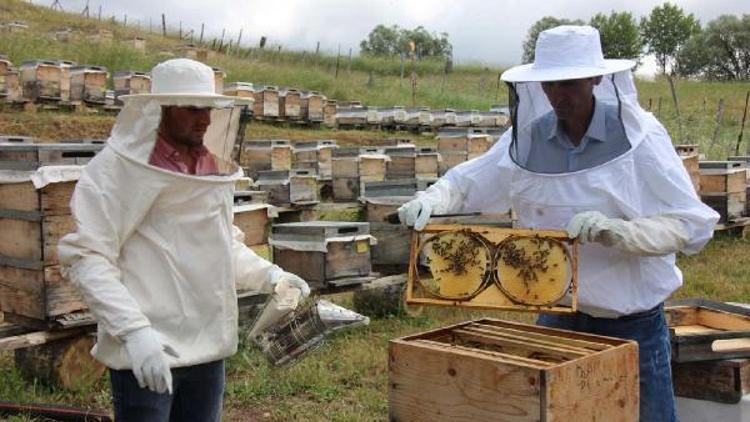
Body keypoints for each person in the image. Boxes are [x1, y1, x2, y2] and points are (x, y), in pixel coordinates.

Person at [399, 25, 719, 421]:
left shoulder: (641, 137)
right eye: (549, 85)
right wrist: (433, 198)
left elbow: (692, 225)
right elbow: (472, 181)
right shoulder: (529, 138)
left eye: (568, 83)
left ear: (596, 78)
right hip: (557, 315)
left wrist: (621, 232)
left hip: (630, 325)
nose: (558, 95)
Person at [58, 58, 310, 422]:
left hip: (207, 345)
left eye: (207, 107)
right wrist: (134, 332)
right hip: (149, 348)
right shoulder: (117, 170)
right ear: (163, 108)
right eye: (191, 108)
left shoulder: (209, 166)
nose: (204, 119)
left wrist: (269, 276)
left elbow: (222, 244)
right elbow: (87, 258)